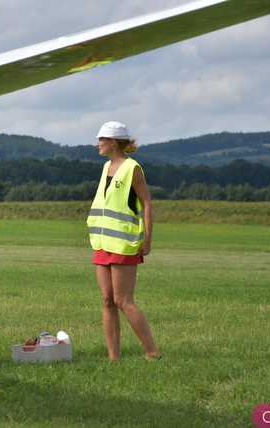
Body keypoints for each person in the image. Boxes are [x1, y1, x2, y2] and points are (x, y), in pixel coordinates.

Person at [86, 121, 161, 361]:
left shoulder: (133, 168)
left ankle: (152, 352)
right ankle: (113, 358)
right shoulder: (106, 166)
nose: (97, 143)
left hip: (123, 243)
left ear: (114, 141)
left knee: (123, 300)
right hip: (102, 242)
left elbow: (147, 203)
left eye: (101, 139)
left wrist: (147, 239)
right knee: (107, 300)